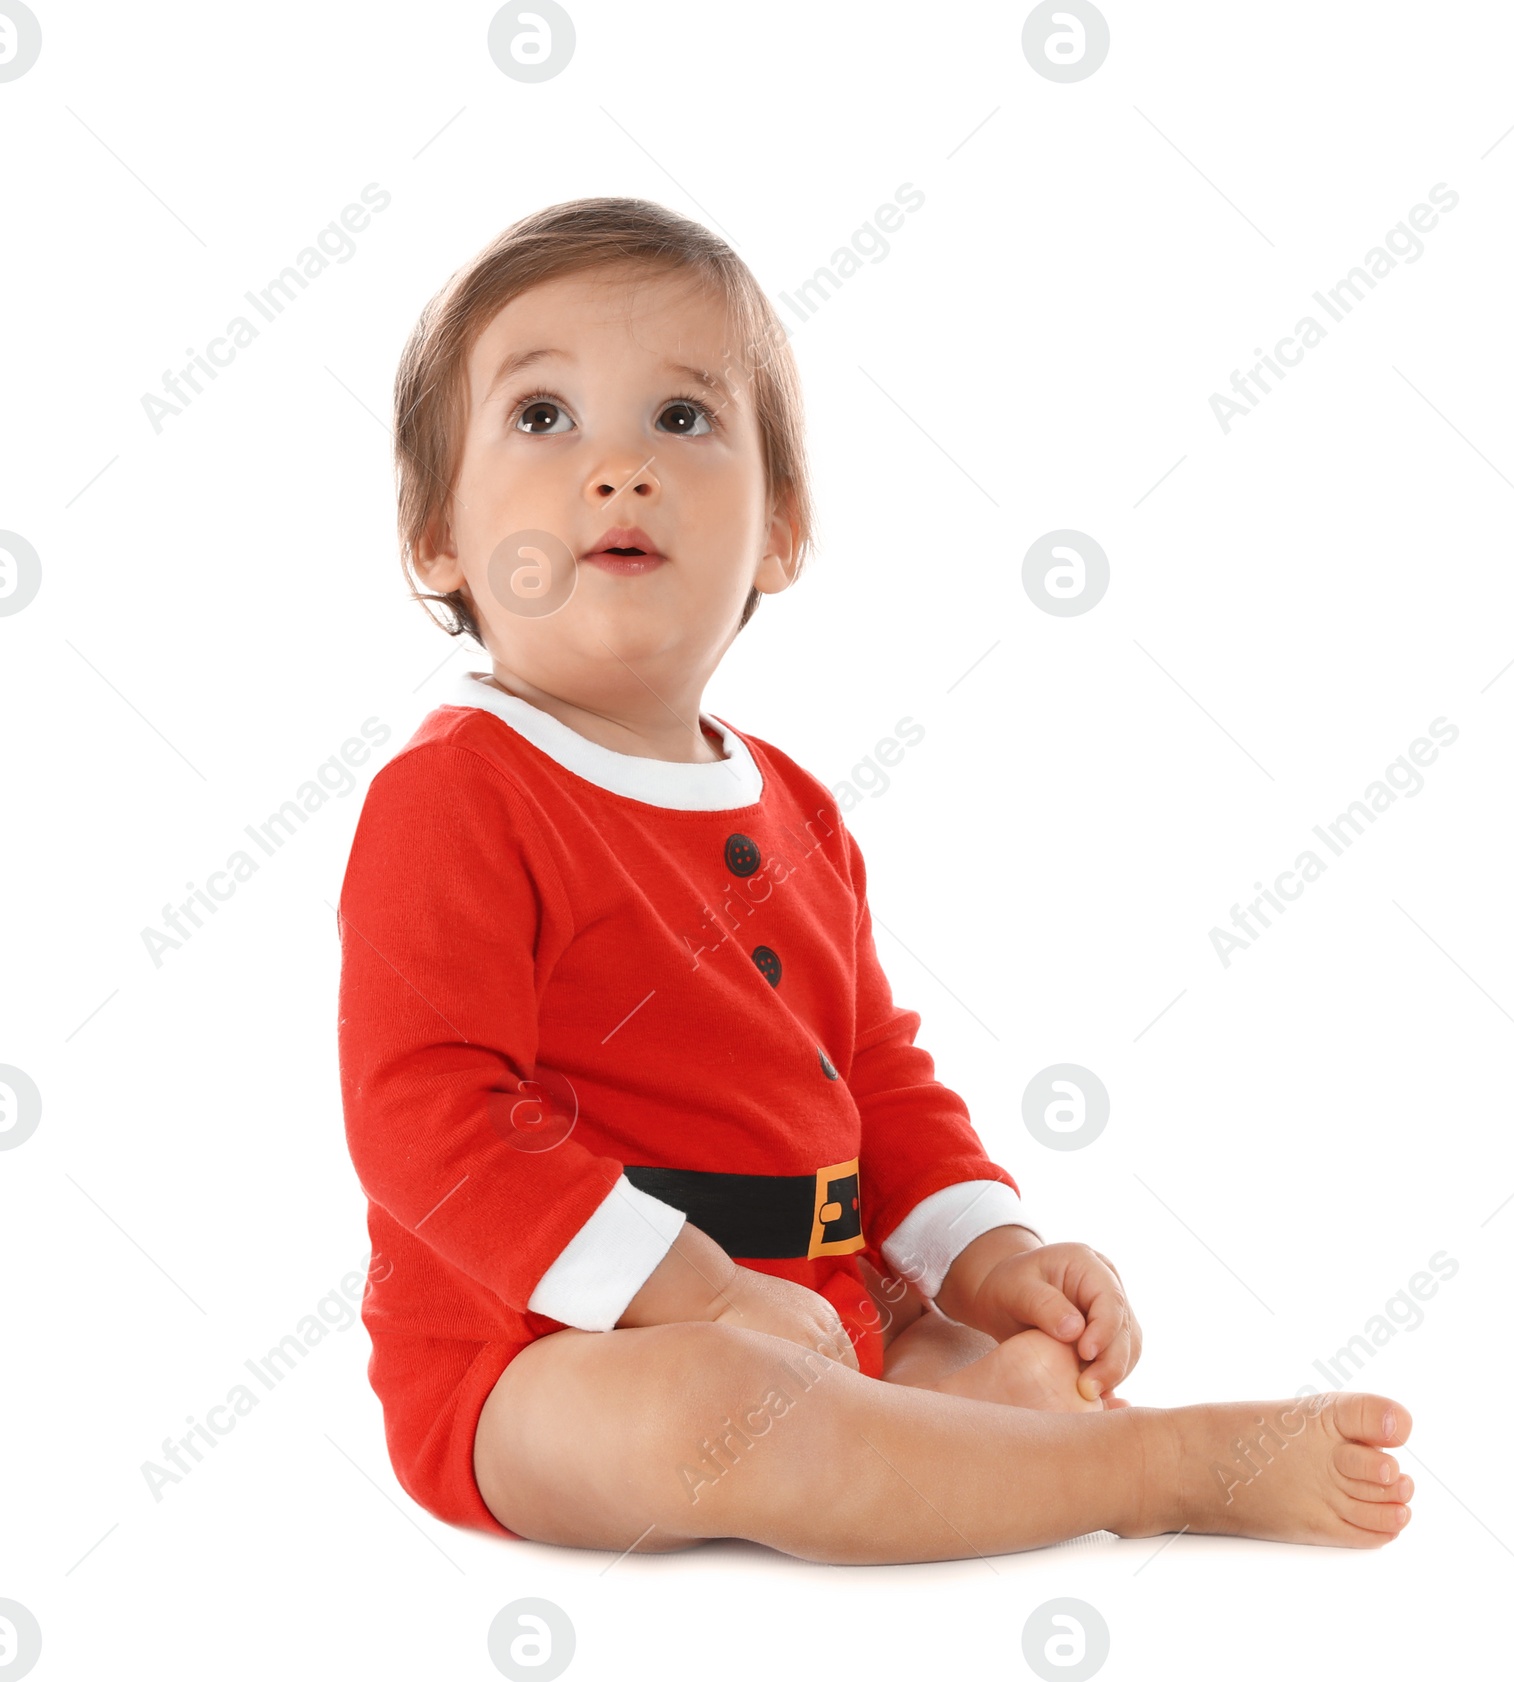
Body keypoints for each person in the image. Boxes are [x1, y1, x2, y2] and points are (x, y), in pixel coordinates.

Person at [336, 197, 1413, 1564]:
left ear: (780, 532)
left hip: (834, 1306)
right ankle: (1143, 1466)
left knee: (1005, 1355)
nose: (616, 467)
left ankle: (1023, 1429)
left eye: (681, 419)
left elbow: (871, 1072)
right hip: (535, 1356)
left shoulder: (794, 807)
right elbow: (431, 1114)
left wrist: (991, 1254)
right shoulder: (460, 791)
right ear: (436, 536)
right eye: (542, 417)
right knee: (722, 1406)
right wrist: (699, 1295)